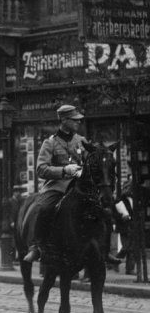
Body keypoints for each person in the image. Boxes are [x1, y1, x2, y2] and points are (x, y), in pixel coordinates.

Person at [23, 104, 120, 265]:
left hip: (80, 185)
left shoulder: (82, 141)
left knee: (105, 209)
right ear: (64, 120)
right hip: (57, 186)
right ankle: (36, 246)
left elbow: (94, 161)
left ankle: (105, 250)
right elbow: (41, 169)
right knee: (44, 208)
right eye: (74, 120)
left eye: (79, 120)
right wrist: (64, 170)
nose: (78, 122)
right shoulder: (50, 143)